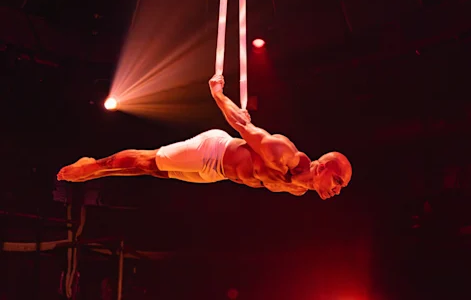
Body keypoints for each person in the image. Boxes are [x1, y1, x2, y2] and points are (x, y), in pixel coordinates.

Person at [57, 75, 352, 199]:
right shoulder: (284, 153)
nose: (337, 191)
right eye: (338, 181)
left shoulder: (299, 190)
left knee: (156, 174)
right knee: (148, 163)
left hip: (218, 175)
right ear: (323, 166)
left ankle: (100, 169)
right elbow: (242, 126)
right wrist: (218, 95)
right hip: (213, 151)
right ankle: (94, 166)